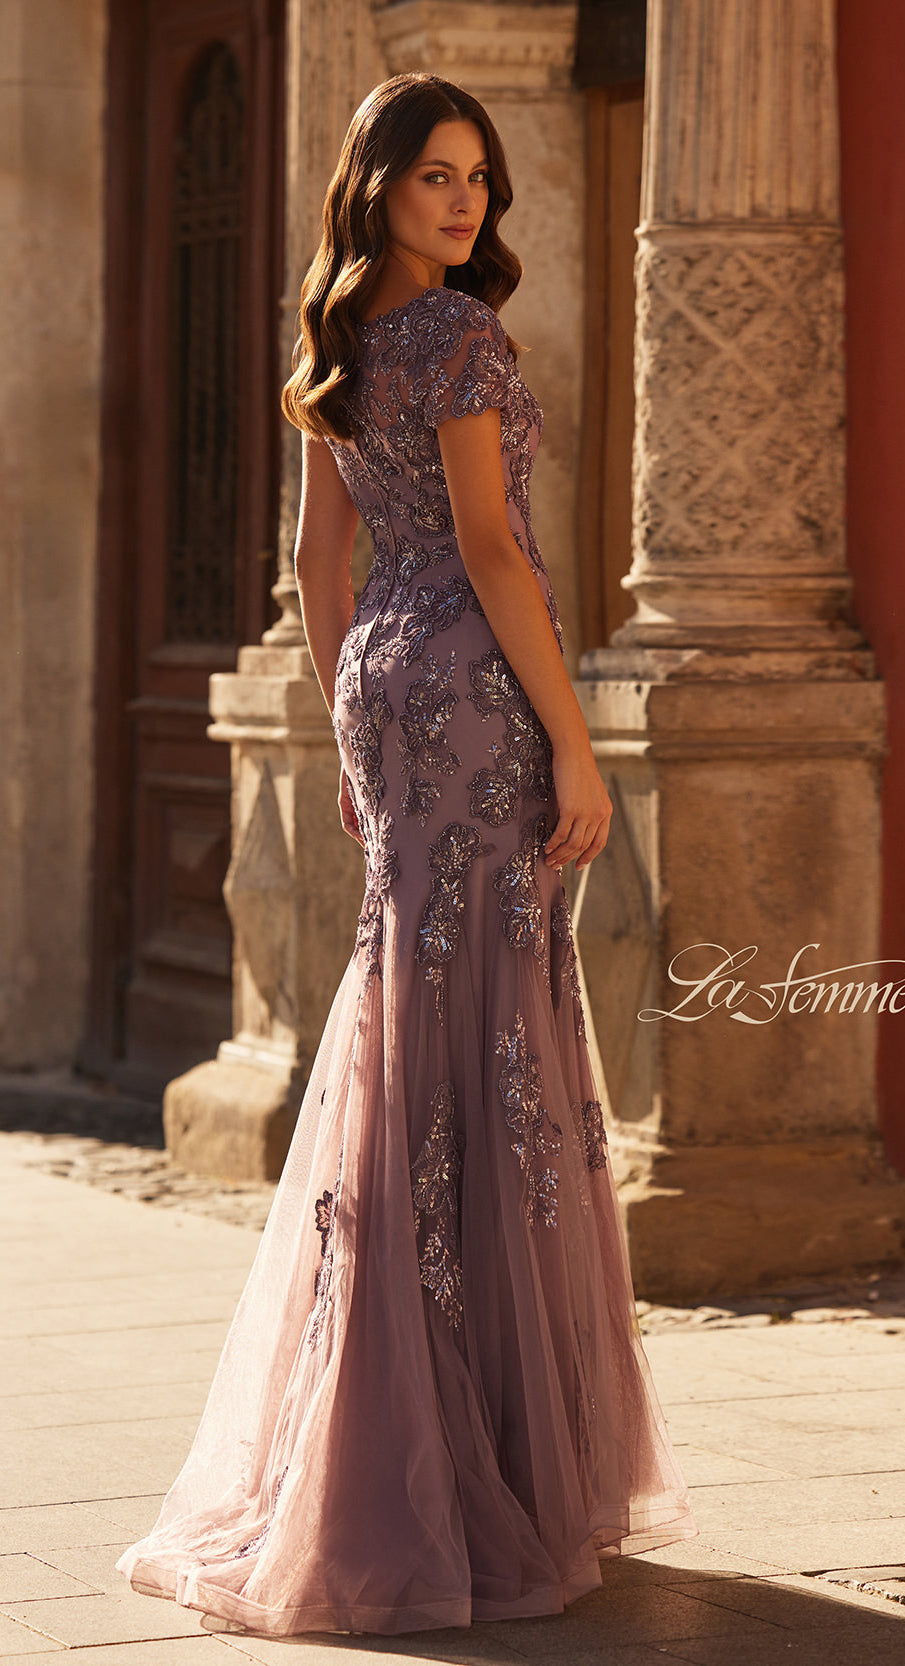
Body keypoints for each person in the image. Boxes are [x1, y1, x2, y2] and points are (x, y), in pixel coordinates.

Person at [115, 69, 697, 1640]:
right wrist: (576, 739)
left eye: (479, 177)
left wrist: (352, 718)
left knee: (408, 1024)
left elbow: (318, 562)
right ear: (374, 183)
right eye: (437, 175)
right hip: (474, 689)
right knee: (495, 1033)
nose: (467, 202)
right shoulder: (451, 336)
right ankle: (484, 1449)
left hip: (385, 680)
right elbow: (495, 546)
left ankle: (393, 1426)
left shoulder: (339, 338)